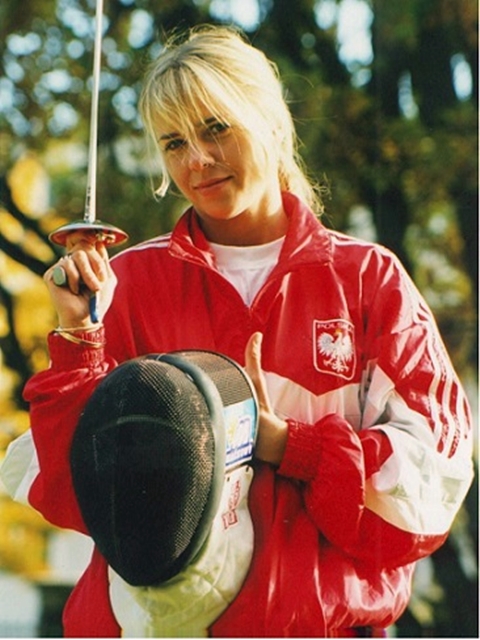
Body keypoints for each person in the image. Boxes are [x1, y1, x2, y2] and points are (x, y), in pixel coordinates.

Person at [0, 24, 474, 638]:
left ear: (271, 122)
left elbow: (434, 479)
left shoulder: (367, 278)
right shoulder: (125, 284)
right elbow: (70, 489)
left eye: (216, 128)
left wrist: (294, 447)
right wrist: (78, 341)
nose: (196, 160)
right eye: (174, 142)